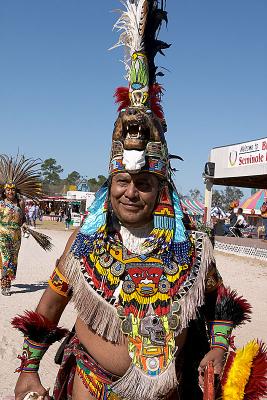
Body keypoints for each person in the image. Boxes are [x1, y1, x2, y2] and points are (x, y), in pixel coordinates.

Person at [13, 2, 252, 400]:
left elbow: (218, 303)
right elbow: (49, 309)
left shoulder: (193, 248)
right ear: (110, 183)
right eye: (122, 180)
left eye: (143, 182)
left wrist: (217, 347)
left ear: (161, 187)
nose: (131, 191)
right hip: (90, 385)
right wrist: (28, 369)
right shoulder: (82, 245)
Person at [0, 155, 43, 296]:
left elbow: (22, 219)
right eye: (7, 190)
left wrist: (24, 225)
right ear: (4, 191)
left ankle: (7, 281)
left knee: (13, 259)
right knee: (6, 258)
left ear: (15, 191)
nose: (10, 192)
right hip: (2, 234)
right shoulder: (0, 204)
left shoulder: (20, 203)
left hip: (16, 236)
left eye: (12, 189)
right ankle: (5, 285)